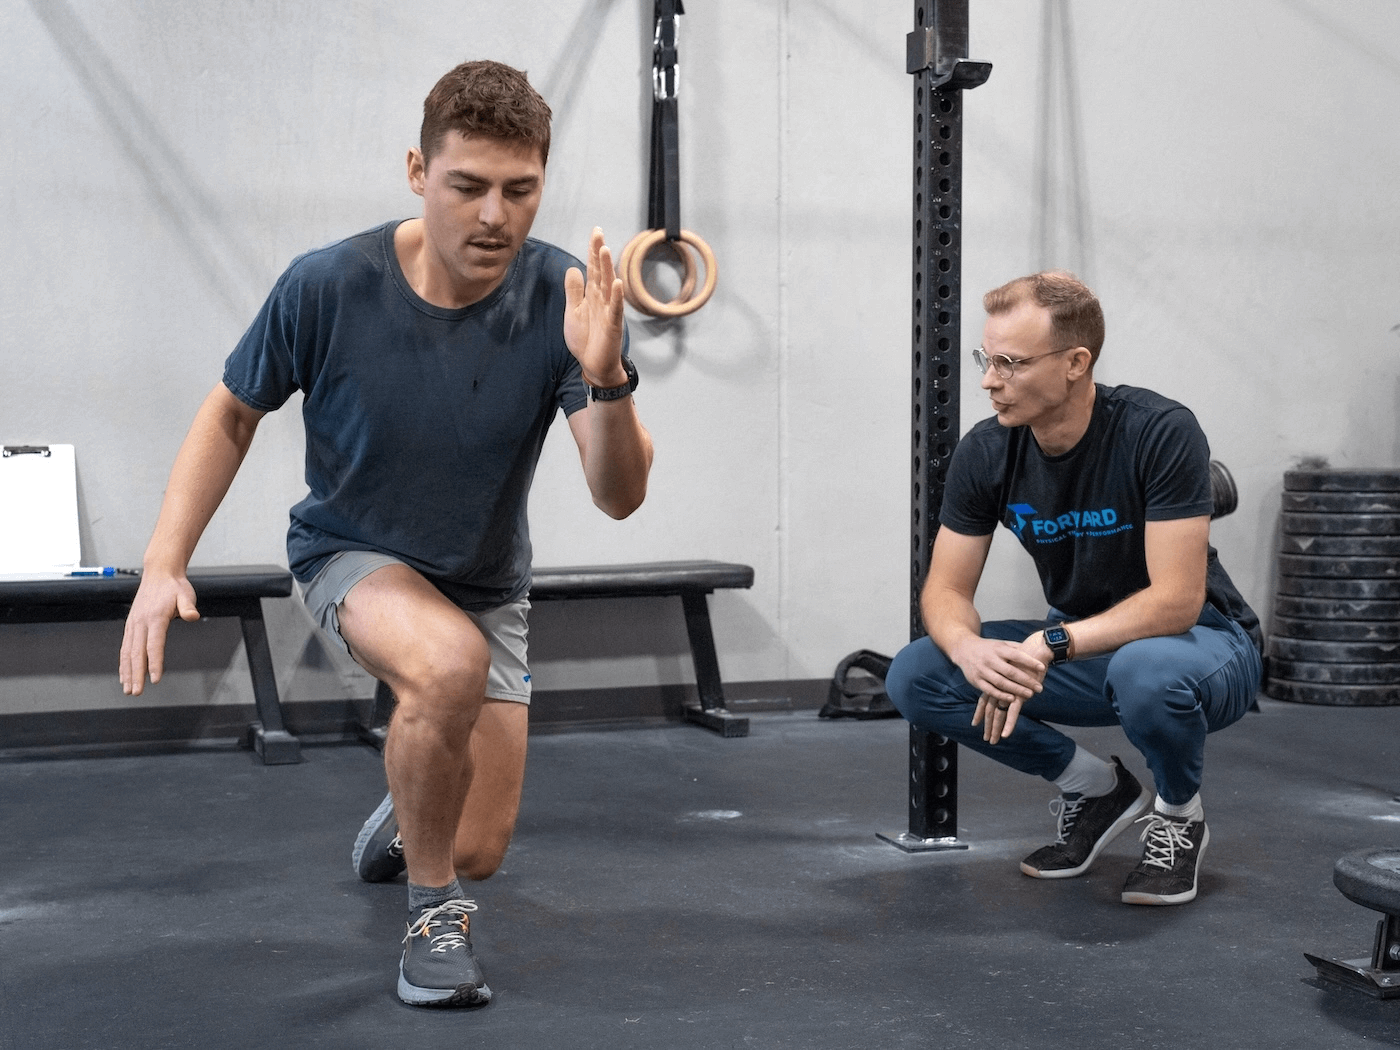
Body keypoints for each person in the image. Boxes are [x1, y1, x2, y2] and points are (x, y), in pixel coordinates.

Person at [119, 60, 653, 1006]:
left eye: (520, 190)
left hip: (486, 581)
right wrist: (165, 564)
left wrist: (606, 376)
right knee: (442, 665)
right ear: (418, 170)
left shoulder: (564, 296)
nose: (495, 215)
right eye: (468, 186)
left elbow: (619, 497)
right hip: (350, 555)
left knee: (479, 846)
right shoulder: (328, 285)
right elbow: (229, 414)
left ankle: (409, 824)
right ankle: (432, 923)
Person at [885, 271, 1261, 906]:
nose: (987, 380)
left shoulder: (1158, 431)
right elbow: (945, 591)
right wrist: (969, 649)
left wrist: (1053, 640)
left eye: (1010, 363)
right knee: (919, 672)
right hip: (1084, 650)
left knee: (1146, 671)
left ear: (1075, 362)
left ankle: (1177, 817)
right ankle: (1093, 787)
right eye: (986, 359)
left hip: (1202, 647)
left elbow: (1176, 600)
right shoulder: (987, 453)